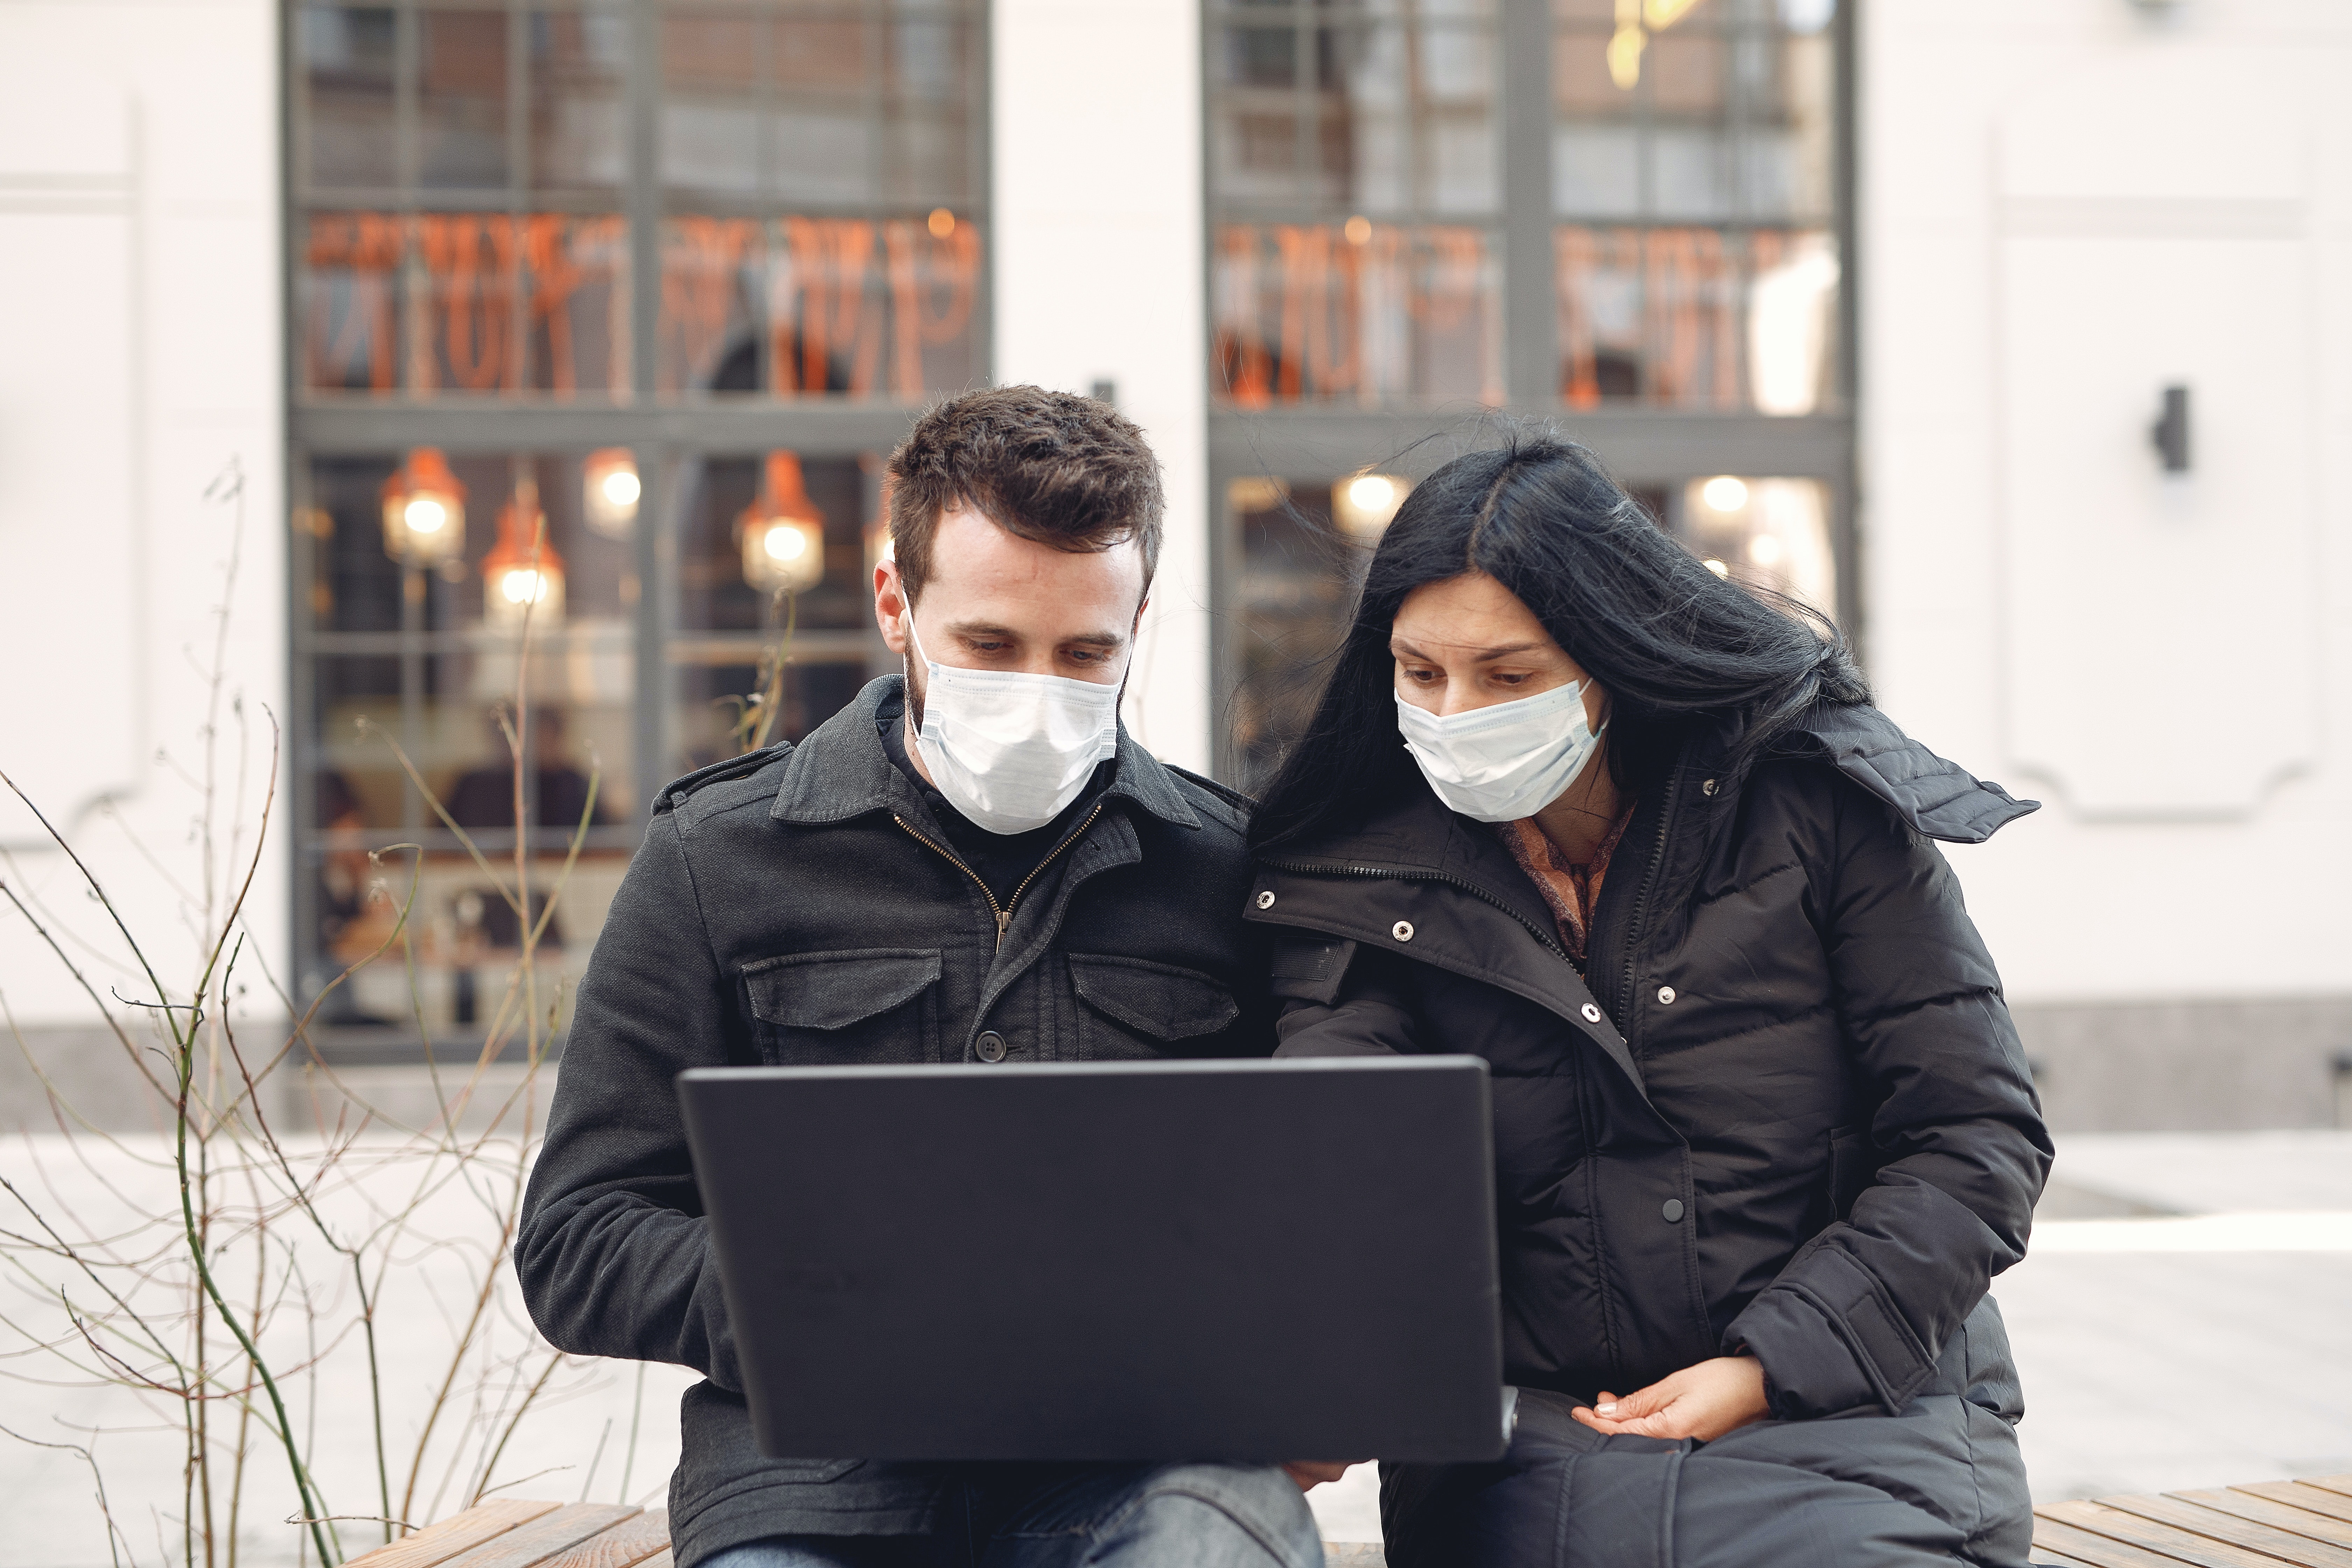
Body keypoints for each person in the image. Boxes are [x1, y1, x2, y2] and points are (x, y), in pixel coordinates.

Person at [516, 388, 1321, 1568]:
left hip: (1150, 1472)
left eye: (1087, 652)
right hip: (811, 1490)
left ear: (1139, 622)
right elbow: (577, 1238)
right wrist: (813, 1301)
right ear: (895, 603)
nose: (1040, 692)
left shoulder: (1224, 870)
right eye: (990, 646)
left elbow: (1318, 1202)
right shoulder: (717, 861)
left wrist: (1308, 1365)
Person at [1243, 432, 2053, 1568]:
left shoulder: (1819, 806)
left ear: (1612, 660)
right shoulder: (1364, 877)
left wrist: (1772, 1366)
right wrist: (1331, 1357)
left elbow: (1977, 1136)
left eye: (1508, 676)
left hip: (1857, 1417)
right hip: (1540, 1449)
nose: (1454, 710)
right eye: (1419, 671)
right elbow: (1341, 1146)